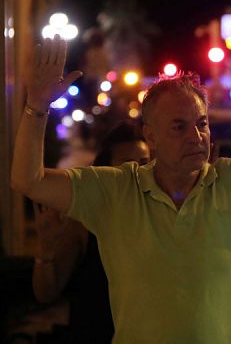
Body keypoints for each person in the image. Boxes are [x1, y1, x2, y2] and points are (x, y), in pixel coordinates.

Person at [11, 39, 231, 343]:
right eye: (179, 127)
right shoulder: (114, 189)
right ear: (151, 137)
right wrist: (36, 109)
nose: (197, 136)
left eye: (202, 124)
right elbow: (29, 181)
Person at [32, 121, 150, 344]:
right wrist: (46, 247)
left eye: (144, 163)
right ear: (106, 168)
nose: (137, 171)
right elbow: (46, 293)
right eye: (127, 164)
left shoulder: (158, 215)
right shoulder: (84, 220)